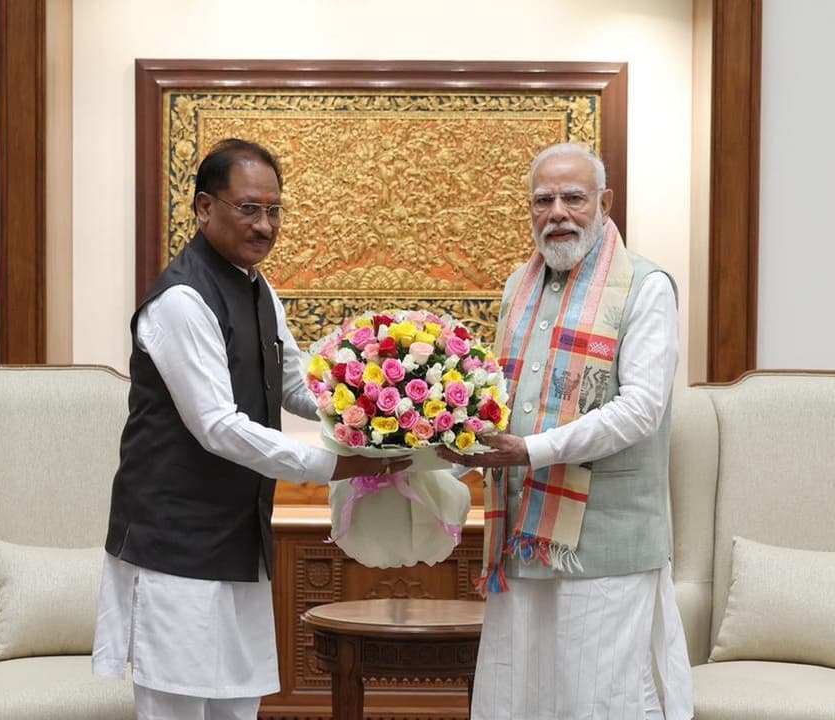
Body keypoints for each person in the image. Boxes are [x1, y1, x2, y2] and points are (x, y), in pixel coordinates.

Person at [92, 138, 407, 720]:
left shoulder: (259, 289)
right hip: (174, 545)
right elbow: (218, 427)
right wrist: (333, 465)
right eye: (249, 208)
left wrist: (381, 413)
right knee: (177, 709)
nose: (265, 226)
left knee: (237, 705)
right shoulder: (182, 300)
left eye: (274, 210)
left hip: (238, 539)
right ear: (205, 207)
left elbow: (294, 387)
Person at [441, 142, 694, 719]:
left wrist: (531, 451)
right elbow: (498, 405)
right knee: (519, 698)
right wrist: (442, 459)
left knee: (599, 700)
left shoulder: (646, 287)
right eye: (543, 200)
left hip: (606, 546)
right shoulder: (516, 287)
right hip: (523, 541)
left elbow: (640, 410)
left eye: (573, 197)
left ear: (605, 203)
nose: (557, 212)